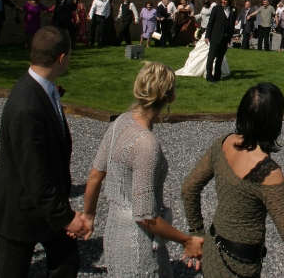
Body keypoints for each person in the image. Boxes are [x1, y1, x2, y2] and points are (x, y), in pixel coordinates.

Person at [182, 83, 284, 278]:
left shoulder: (224, 142)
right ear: (274, 121)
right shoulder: (268, 172)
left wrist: (197, 232)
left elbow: (189, 188)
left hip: (212, 249)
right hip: (238, 265)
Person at [80, 62, 204, 277]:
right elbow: (145, 216)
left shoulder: (120, 122)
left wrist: (89, 215)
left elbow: (95, 175)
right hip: (139, 244)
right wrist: (187, 240)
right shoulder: (146, 144)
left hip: (114, 232)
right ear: (170, 97)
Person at [0, 26, 86, 278]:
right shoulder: (27, 107)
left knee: (66, 264)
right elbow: (34, 174)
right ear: (61, 58)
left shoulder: (42, 88)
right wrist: (66, 217)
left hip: (46, 206)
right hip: (19, 211)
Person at [204, 0, 236, 83]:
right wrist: (207, 36)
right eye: (222, 0)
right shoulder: (216, 9)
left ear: (229, 1)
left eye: (225, 0)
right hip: (215, 37)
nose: (223, 2)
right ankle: (209, 76)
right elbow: (210, 23)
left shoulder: (233, 9)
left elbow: (231, 24)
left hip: (225, 38)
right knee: (211, 58)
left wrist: (230, 37)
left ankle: (217, 76)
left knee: (220, 58)